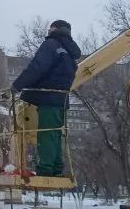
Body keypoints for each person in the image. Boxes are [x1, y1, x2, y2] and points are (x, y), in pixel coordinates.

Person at [12, 19, 82, 176]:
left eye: (50, 29)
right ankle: (56, 168)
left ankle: (45, 169)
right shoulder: (69, 51)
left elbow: (37, 67)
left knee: (46, 133)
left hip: (47, 97)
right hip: (61, 99)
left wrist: (17, 85)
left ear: (54, 29)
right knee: (55, 134)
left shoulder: (51, 44)